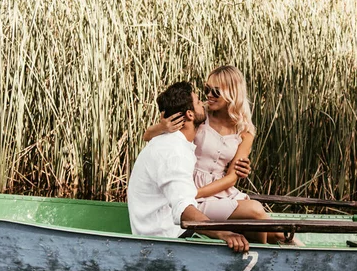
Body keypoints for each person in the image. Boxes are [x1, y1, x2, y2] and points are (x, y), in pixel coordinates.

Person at [144, 65, 301, 245]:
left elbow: (232, 177)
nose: (209, 95)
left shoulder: (245, 131)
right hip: (190, 188)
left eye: (216, 91)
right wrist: (161, 127)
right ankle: (262, 253)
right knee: (257, 212)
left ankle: (266, 251)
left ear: (232, 93)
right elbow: (148, 137)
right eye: (207, 90)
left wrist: (195, 193)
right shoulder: (200, 115)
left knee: (272, 228)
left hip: (220, 190)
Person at [127, 81, 249, 252]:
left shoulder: (168, 141)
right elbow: (183, 209)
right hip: (166, 237)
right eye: (199, 102)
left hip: (162, 229)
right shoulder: (174, 152)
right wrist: (223, 233)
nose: (204, 104)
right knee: (248, 225)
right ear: (190, 115)